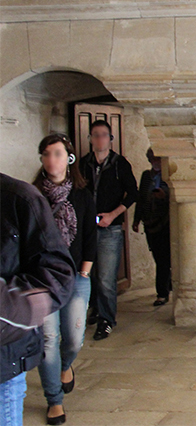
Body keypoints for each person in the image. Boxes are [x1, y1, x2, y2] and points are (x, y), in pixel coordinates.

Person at [33, 134, 97, 425]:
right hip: (41, 277)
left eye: (57, 154)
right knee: (48, 339)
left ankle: (66, 365)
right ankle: (54, 400)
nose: (51, 160)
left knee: (73, 337)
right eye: (46, 154)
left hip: (74, 275)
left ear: (69, 158)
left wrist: (84, 270)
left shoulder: (81, 194)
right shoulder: (32, 195)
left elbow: (88, 235)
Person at [1, 174, 75, 426]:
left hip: (3, 361)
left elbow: (57, 274)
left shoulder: (20, 198)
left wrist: (9, 303)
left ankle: (55, 396)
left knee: (61, 339)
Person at [79, 120, 137, 341]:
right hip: (87, 228)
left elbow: (133, 194)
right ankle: (95, 309)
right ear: (91, 138)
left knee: (105, 277)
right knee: (87, 273)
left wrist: (113, 214)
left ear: (110, 139)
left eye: (104, 135)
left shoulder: (120, 164)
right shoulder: (84, 164)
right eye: (95, 135)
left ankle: (106, 320)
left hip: (110, 228)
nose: (99, 139)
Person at [132, 149, 171, 307]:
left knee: (164, 259)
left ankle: (162, 293)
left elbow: (173, 196)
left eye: (158, 158)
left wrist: (164, 196)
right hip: (149, 223)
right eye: (152, 158)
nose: (155, 161)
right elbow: (141, 198)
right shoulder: (146, 176)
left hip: (165, 223)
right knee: (158, 257)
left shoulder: (169, 175)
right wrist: (136, 219)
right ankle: (165, 287)